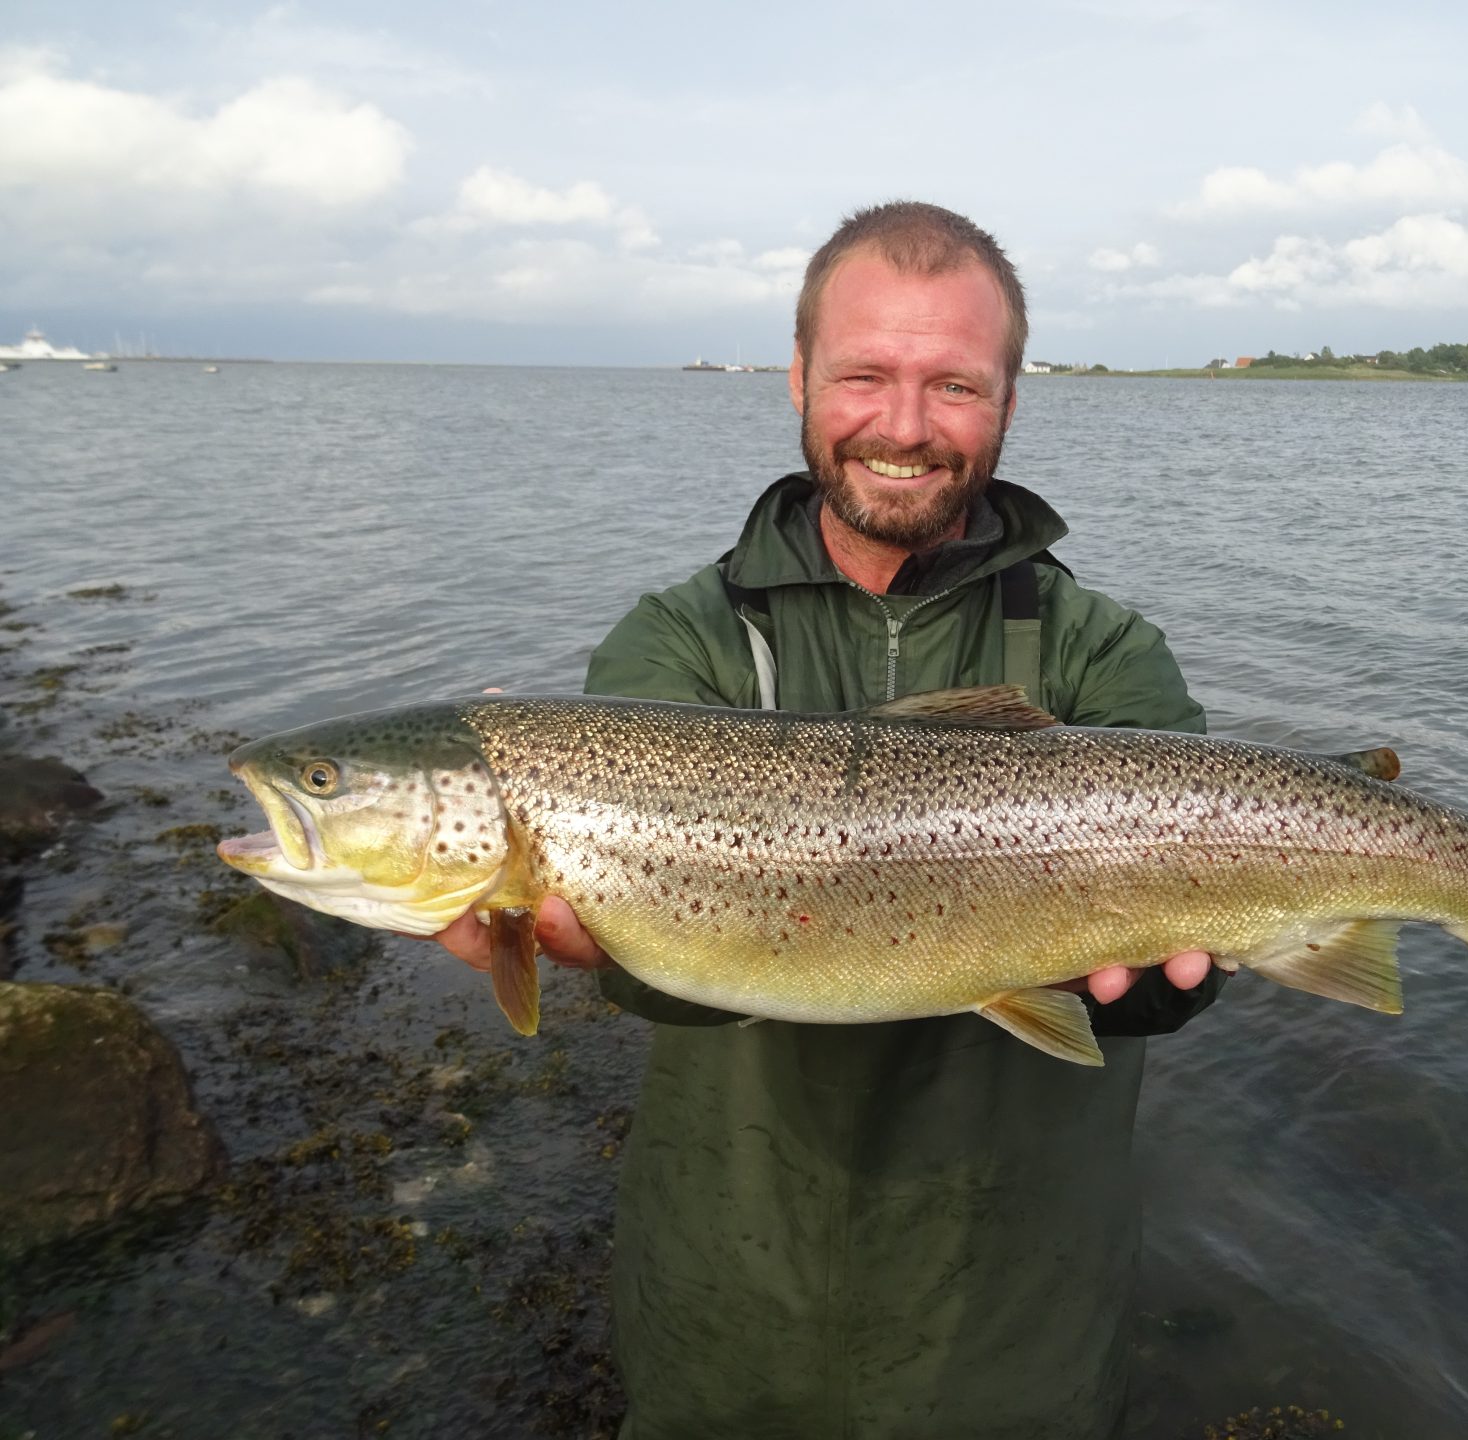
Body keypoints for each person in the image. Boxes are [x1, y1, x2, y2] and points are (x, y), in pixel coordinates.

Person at [434, 201, 1226, 1439]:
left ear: (1010, 400)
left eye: (954, 384)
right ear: (799, 377)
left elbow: (1176, 984)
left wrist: (1165, 985)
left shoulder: (1101, 651)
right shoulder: (676, 643)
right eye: (865, 374)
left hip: (1015, 1320)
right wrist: (595, 955)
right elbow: (658, 971)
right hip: (730, 1299)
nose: (903, 427)